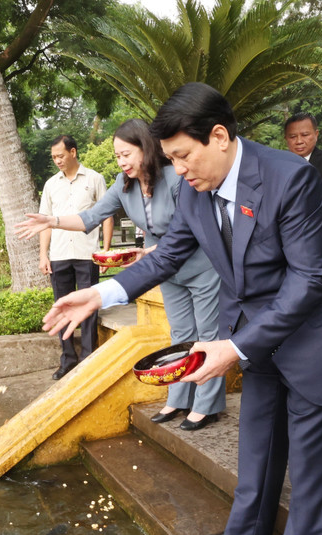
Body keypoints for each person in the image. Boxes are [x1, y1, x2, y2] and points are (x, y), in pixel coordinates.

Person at [40, 83, 322, 535]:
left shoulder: (289, 179)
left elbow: (312, 279)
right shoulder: (198, 191)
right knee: (258, 434)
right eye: (171, 159)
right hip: (259, 334)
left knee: (313, 462)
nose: (178, 170)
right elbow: (168, 255)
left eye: (183, 155)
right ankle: (248, 534)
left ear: (220, 136)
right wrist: (102, 292)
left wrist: (234, 345)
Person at [17, 119, 225, 431]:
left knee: (208, 335)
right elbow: (90, 217)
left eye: (126, 154)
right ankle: (179, 398)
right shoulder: (123, 185)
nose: (122, 161)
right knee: (180, 335)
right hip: (165, 271)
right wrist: (52, 220)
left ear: (146, 147)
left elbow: (190, 230)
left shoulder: (175, 177)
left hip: (199, 267)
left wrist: (149, 253)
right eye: (117, 156)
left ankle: (208, 405)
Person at [38, 135, 113, 379]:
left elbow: (107, 216)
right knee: (62, 307)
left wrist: (106, 251)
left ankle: (88, 359)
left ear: (73, 151)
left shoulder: (94, 179)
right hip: (59, 254)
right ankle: (68, 358)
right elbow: (45, 222)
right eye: (53, 158)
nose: (57, 161)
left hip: (87, 253)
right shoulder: (51, 185)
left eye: (60, 156)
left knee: (89, 307)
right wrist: (43, 254)